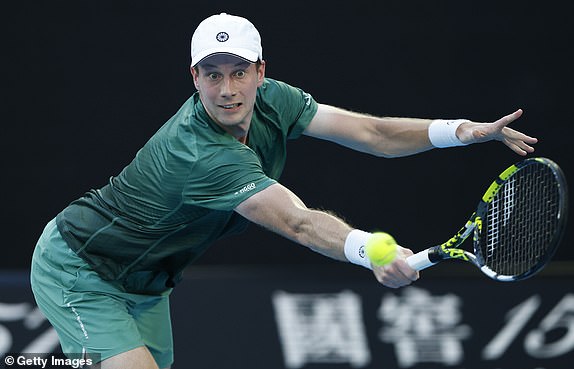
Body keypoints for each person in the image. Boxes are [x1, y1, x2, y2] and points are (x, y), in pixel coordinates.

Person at [30, 12, 537, 369]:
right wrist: (368, 252)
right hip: (81, 268)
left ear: (260, 73)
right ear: (194, 78)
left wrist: (459, 130)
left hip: (146, 281)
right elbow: (296, 221)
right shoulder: (199, 152)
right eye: (212, 75)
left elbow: (373, 133)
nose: (227, 89)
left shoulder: (275, 100)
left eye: (238, 72)